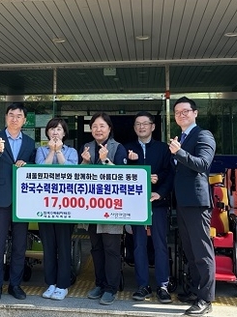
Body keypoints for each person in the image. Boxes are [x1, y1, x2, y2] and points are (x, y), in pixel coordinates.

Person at [0, 102, 36, 302]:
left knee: (20, 246)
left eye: (19, 116)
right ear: (6, 117)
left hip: (22, 201)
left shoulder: (30, 143)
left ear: (24, 120)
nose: (15, 119)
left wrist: (27, 165)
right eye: (11, 115)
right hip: (0, 198)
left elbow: (35, 169)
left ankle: (15, 285)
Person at [169, 96, 216, 316]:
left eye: (185, 111)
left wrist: (179, 152)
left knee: (202, 251)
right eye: (177, 112)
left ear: (195, 113)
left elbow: (203, 164)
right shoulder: (181, 138)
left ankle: (206, 299)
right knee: (190, 250)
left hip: (197, 203)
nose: (181, 115)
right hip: (182, 202)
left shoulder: (203, 135)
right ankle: (195, 291)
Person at [124, 111, 174, 304]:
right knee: (138, 245)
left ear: (153, 126)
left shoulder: (163, 148)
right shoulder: (127, 149)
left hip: (158, 203)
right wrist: (133, 162)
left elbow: (170, 173)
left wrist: (160, 190)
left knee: (160, 244)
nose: (141, 127)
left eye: (145, 123)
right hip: (136, 205)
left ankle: (163, 285)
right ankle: (142, 285)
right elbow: (120, 175)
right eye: (138, 124)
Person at [80, 112, 127, 306]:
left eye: (102, 126)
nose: (98, 130)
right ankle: (99, 284)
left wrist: (106, 159)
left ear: (109, 128)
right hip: (91, 208)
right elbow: (79, 178)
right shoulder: (86, 147)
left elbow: (123, 177)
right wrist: (84, 162)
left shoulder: (118, 148)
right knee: (96, 248)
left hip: (111, 208)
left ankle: (111, 288)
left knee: (111, 249)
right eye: (94, 126)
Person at [35, 117, 79, 301]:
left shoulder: (72, 151)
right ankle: (51, 283)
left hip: (66, 206)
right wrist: (51, 152)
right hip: (44, 205)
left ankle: (62, 284)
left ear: (64, 133)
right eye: (52, 129)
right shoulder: (40, 150)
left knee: (63, 245)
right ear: (47, 132)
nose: (55, 132)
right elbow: (40, 170)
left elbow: (71, 171)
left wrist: (59, 151)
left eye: (59, 129)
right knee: (48, 246)